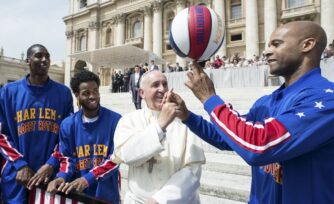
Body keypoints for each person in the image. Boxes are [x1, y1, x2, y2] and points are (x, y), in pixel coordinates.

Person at [172, 21, 334, 204]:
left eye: (276, 44)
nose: (266, 51)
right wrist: (187, 116)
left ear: (307, 45)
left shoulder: (327, 100)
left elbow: (258, 145)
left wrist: (210, 99)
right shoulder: (266, 102)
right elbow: (228, 138)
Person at [112, 70, 205, 204]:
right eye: (155, 85)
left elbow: (193, 169)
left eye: (165, 84)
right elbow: (127, 156)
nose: (162, 89)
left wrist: (160, 200)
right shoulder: (129, 120)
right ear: (141, 93)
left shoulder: (184, 121)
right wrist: (160, 125)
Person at [0, 44, 74, 203]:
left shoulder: (63, 93)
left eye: (47, 56)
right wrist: (20, 164)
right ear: (28, 60)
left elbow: (67, 137)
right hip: (16, 173)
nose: (44, 60)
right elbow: (1, 134)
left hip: (49, 175)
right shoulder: (8, 91)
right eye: (39, 56)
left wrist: (51, 164)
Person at [46, 70, 121, 203]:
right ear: (77, 95)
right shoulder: (68, 124)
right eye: (86, 93)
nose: (93, 96)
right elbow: (67, 158)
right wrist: (61, 177)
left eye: (95, 91)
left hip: (106, 196)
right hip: (78, 195)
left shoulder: (116, 120)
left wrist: (88, 178)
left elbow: (116, 159)